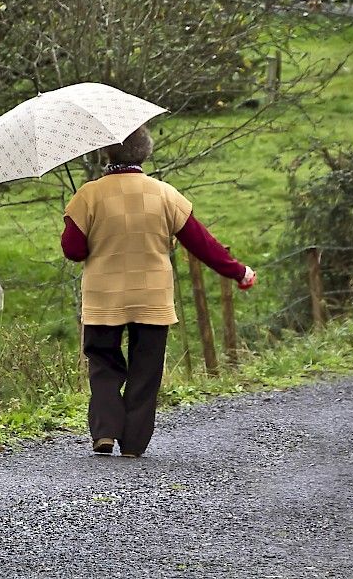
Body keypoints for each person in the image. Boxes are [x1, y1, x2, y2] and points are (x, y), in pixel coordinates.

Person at [61, 125, 256, 458]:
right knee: (146, 367)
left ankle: (105, 431)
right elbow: (202, 243)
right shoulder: (165, 194)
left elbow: (73, 250)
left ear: (107, 153)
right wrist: (238, 271)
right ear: (145, 153)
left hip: (103, 297)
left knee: (103, 363)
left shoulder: (88, 195)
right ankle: (134, 444)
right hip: (151, 297)